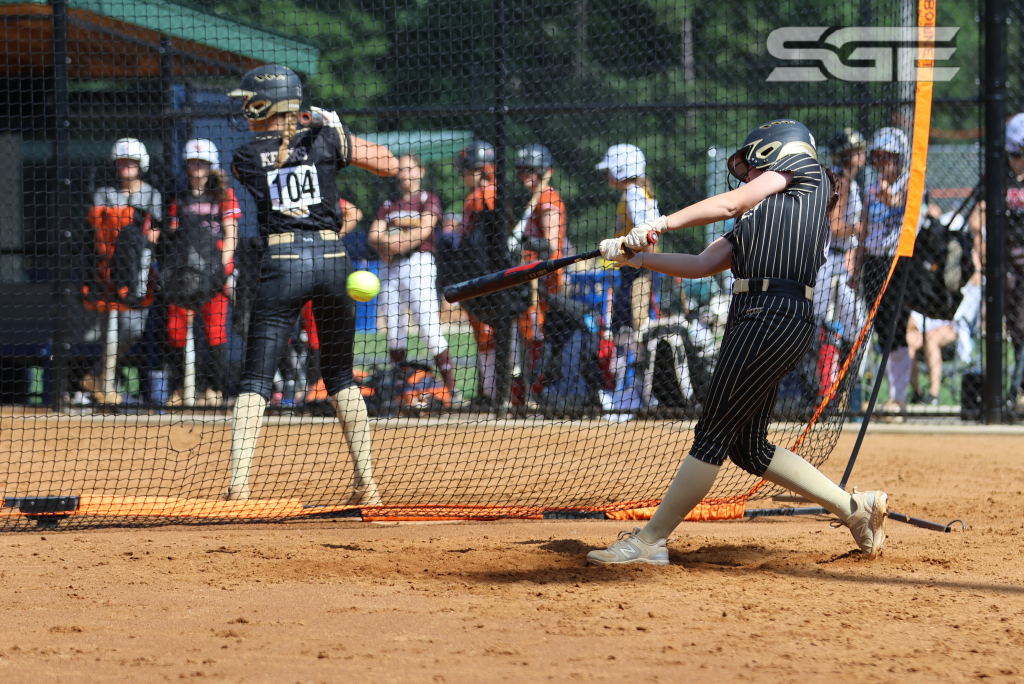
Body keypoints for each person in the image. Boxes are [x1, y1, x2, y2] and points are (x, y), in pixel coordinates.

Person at [588, 119, 889, 565]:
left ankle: (651, 541)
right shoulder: (763, 216)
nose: (747, 177)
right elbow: (701, 263)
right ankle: (854, 509)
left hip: (772, 313)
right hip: (759, 314)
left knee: (712, 431)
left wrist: (658, 223)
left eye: (751, 168)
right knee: (748, 448)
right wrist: (636, 258)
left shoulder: (807, 171)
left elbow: (731, 202)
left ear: (777, 151)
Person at [224, 65, 398, 503]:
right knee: (339, 376)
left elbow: (278, 160)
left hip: (283, 263)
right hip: (333, 261)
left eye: (249, 103)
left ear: (263, 106)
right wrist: (337, 130)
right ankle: (367, 485)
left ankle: (239, 486)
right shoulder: (324, 138)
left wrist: (317, 136)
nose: (244, 111)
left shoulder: (244, 156)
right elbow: (390, 164)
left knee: (256, 378)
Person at [367, 154, 461, 405]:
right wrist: (393, 243)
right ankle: (400, 390)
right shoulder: (389, 203)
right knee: (393, 332)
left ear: (421, 171)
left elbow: (424, 231)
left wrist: (393, 242)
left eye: (410, 169)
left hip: (418, 264)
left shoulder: (428, 198)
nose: (405, 174)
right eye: (401, 170)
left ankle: (452, 392)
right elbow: (373, 235)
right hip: (390, 267)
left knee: (429, 329)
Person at [81, 138, 162, 405]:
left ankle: (97, 376)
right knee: (110, 329)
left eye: (132, 162)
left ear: (141, 164)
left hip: (137, 271)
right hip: (108, 270)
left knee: (133, 328)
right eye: (122, 162)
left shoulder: (151, 195)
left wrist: (140, 248)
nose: (126, 166)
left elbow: (155, 230)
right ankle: (105, 383)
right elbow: (97, 228)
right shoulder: (104, 193)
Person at [165, 138, 240, 408]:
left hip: (214, 273)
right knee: (176, 330)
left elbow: (231, 235)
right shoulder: (178, 197)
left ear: (212, 166)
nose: (197, 168)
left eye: (203, 163)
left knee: (215, 331)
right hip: (184, 274)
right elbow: (173, 236)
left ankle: (214, 390)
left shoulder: (223, 195)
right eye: (193, 163)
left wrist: (222, 267)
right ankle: (180, 389)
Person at [596, 144, 660, 410]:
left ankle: (637, 394)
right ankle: (629, 392)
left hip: (638, 273)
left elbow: (649, 238)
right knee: (626, 330)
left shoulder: (634, 194)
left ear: (621, 169)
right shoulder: (632, 194)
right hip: (633, 271)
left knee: (636, 330)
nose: (607, 175)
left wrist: (633, 256)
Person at [853, 127, 912, 416]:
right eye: (877, 157)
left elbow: (904, 206)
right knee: (880, 328)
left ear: (899, 159)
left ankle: (898, 399)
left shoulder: (910, 184)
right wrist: (857, 266)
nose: (880, 163)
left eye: (886, 157)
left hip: (898, 263)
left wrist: (892, 199)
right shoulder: (871, 189)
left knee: (896, 329)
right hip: (874, 263)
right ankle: (886, 396)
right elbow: (865, 230)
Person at [512, 144, 569, 402]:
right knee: (527, 335)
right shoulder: (534, 199)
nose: (525, 175)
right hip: (531, 280)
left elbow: (551, 245)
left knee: (536, 335)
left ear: (545, 172)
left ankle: (536, 396)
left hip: (545, 282)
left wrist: (521, 244)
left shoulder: (547, 199)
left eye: (531, 170)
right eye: (522, 170)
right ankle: (526, 396)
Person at [814, 129, 867, 393]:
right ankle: (833, 388)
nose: (862, 155)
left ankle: (830, 387)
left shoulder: (837, 179)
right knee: (849, 327)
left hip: (831, 263)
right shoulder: (841, 182)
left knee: (838, 326)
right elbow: (835, 227)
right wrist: (861, 228)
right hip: (831, 263)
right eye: (856, 151)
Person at [302, 197, 363, 404]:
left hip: (321, 264)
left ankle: (317, 389)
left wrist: (333, 236)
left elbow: (355, 212)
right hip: (294, 263)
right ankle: (304, 388)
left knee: (317, 330)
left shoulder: (320, 194)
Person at [455, 141, 500, 407]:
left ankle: (493, 393)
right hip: (480, 273)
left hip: (485, 275)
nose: (463, 175)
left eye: (466, 169)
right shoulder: (478, 195)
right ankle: (489, 391)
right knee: (484, 334)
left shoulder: (486, 195)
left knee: (488, 335)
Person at [1003, 113, 1024, 407]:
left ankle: (1014, 390)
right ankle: (1016, 391)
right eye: (1015, 155)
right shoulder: (1000, 176)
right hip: (1006, 260)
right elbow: (980, 211)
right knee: (1015, 326)